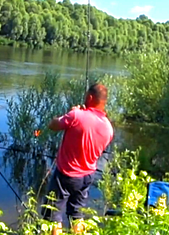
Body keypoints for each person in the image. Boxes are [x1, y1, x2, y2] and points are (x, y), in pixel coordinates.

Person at [41, 83, 114, 235]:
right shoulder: (108, 127)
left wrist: (71, 113)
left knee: (54, 215)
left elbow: (53, 125)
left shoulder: (76, 116)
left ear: (90, 97)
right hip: (87, 176)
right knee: (77, 214)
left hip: (66, 174)